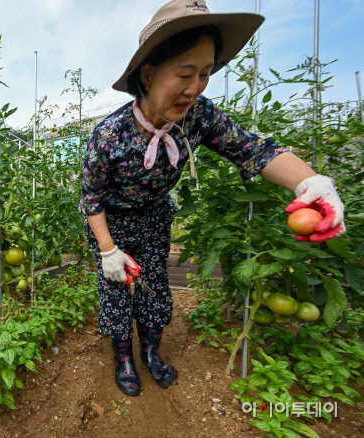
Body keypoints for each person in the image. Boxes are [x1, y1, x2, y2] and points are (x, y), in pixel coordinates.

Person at [81, 0, 345, 397]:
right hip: (110, 222)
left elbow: (253, 151)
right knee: (116, 288)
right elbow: (91, 198)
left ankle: (151, 353)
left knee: (153, 284)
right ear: (148, 75)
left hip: (153, 217)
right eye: (185, 73)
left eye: (205, 74)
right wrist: (107, 250)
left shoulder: (199, 116)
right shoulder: (110, 134)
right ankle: (124, 358)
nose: (195, 88)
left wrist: (311, 183)